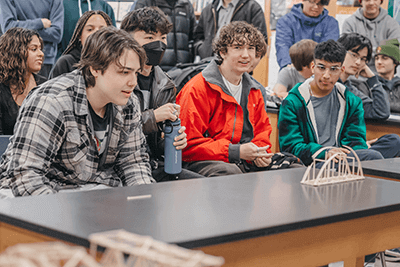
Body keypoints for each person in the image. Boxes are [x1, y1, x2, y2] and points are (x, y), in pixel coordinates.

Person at [0, 27, 154, 197]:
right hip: (41, 197)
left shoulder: (128, 102)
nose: (133, 82)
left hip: (94, 194)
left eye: (136, 73)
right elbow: (25, 175)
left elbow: (133, 163)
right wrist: (60, 220)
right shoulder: (52, 102)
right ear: (95, 68)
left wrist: (143, 199)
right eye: (124, 72)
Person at [177, 21, 273, 177]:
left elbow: (262, 133)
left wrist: (262, 153)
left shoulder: (256, 90)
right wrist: (236, 152)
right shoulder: (197, 88)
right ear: (222, 52)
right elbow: (188, 146)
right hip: (202, 161)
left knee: (292, 165)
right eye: (238, 48)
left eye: (251, 48)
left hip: (243, 161)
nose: (245, 55)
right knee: (230, 174)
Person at [120, 7, 203, 182]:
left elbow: (156, 145)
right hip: (122, 166)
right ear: (128, 39)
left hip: (155, 164)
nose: (158, 45)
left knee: (200, 186)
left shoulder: (166, 84)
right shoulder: (117, 79)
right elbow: (115, 129)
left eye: (163, 38)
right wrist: (153, 117)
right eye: (150, 38)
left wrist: (172, 140)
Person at [278, 40, 384, 166]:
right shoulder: (293, 102)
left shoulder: (351, 101)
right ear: (313, 67)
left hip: (343, 160)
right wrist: (325, 152)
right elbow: (290, 146)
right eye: (321, 68)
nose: (326, 75)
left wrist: (350, 154)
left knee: (377, 153)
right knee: (372, 157)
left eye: (333, 69)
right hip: (312, 163)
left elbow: (355, 141)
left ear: (341, 70)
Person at [337, 33, 400, 159]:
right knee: (373, 156)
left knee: (394, 141)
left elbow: (381, 112)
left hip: (353, 149)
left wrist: (372, 79)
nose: (358, 62)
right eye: (354, 55)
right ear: (340, 52)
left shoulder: (352, 90)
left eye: (363, 59)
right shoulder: (327, 85)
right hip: (333, 151)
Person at [0, 28, 46, 136]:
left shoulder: (45, 85)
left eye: (40, 49)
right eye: (34, 49)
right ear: (16, 52)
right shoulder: (2, 89)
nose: (41, 54)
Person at [0, 0, 64, 78]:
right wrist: (40, 23)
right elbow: (8, 28)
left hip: (44, 62)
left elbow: (56, 34)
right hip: (15, 59)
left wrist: (20, 26)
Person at [132, 0, 196, 71]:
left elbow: (194, 35)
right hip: (156, 67)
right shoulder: (145, 2)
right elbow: (135, 35)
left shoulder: (186, 4)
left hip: (183, 68)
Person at [194, 0, 268, 60]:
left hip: (240, 69)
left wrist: (248, 64)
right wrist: (203, 50)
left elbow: (261, 42)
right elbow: (198, 37)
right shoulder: (208, 9)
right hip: (209, 66)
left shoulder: (252, 7)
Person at [275, 0, 339, 69]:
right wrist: (287, 66)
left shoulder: (331, 23)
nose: (316, 7)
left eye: (320, 3)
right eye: (312, 2)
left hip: (320, 71)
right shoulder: (286, 21)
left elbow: (329, 50)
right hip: (292, 69)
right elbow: (282, 46)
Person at [49, 10, 113, 79]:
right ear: (79, 35)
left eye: (102, 30)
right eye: (90, 29)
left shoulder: (114, 63)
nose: (96, 33)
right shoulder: (66, 62)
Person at [342, 0, 400, 72]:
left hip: (383, 75)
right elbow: (347, 53)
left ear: (381, 1)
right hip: (355, 74)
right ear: (360, 2)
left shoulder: (392, 24)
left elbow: (394, 53)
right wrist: (380, 51)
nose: (371, 3)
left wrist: (361, 52)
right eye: (367, 0)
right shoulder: (349, 23)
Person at [374, 39, 400, 113]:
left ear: (395, 62)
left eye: (384, 58)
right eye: (376, 58)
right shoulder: (369, 85)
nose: (379, 62)